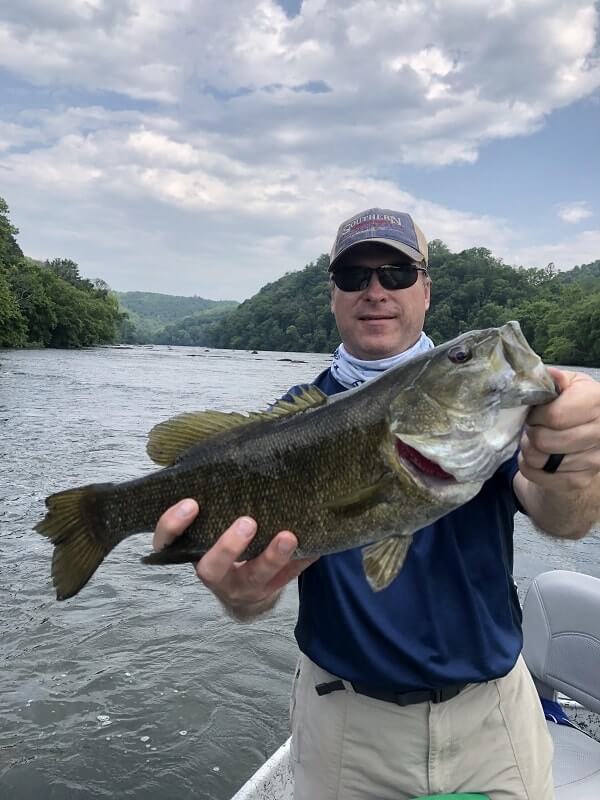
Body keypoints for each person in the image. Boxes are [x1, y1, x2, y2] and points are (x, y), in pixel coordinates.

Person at [153, 209, 600, 800]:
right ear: (333, 297)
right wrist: (241, 598)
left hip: (494, 720)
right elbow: (251, 581)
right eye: (353, 277)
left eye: (396, 272)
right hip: (342, 726)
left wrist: (572, 464)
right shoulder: (283, 426)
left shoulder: (486, 409)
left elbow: (561, 515)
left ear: (426, 290)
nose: (375, 291)